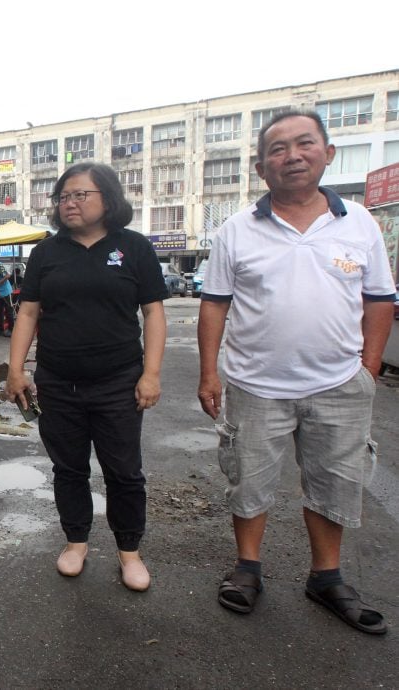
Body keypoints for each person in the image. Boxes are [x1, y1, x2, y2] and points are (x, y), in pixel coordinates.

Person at [197, 110, 395, 634]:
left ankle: (327, 578)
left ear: (327, 153)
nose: (293, 155)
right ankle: (247, 568)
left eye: (304, 143)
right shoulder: (239, 229)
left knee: (336, 482)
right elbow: (214, 304)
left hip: (338, 384)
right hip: (256, 384)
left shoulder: (359, 222)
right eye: (278, 149)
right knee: (248, 479)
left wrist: (370, 365)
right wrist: (209, 374)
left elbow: (379, 298)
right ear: (263, 168)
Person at [5, 162, 167, 592]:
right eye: (63, 196)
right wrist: (16, 370)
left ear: (108, 199)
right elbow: (28, 312)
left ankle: (129, 551)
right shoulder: (47, 252)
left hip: (119, 381)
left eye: (80, 194)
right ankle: (75, 542)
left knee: (124, 471)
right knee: (69, 468)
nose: (69, 203)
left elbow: (153, 312)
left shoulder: (133, 247)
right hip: (59, 383)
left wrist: (151, 374)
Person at [0, 259, 15, 336]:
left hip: (6, 292)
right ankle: (0, 329)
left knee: (9, 311)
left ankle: (12, 330)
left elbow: (7, 275)